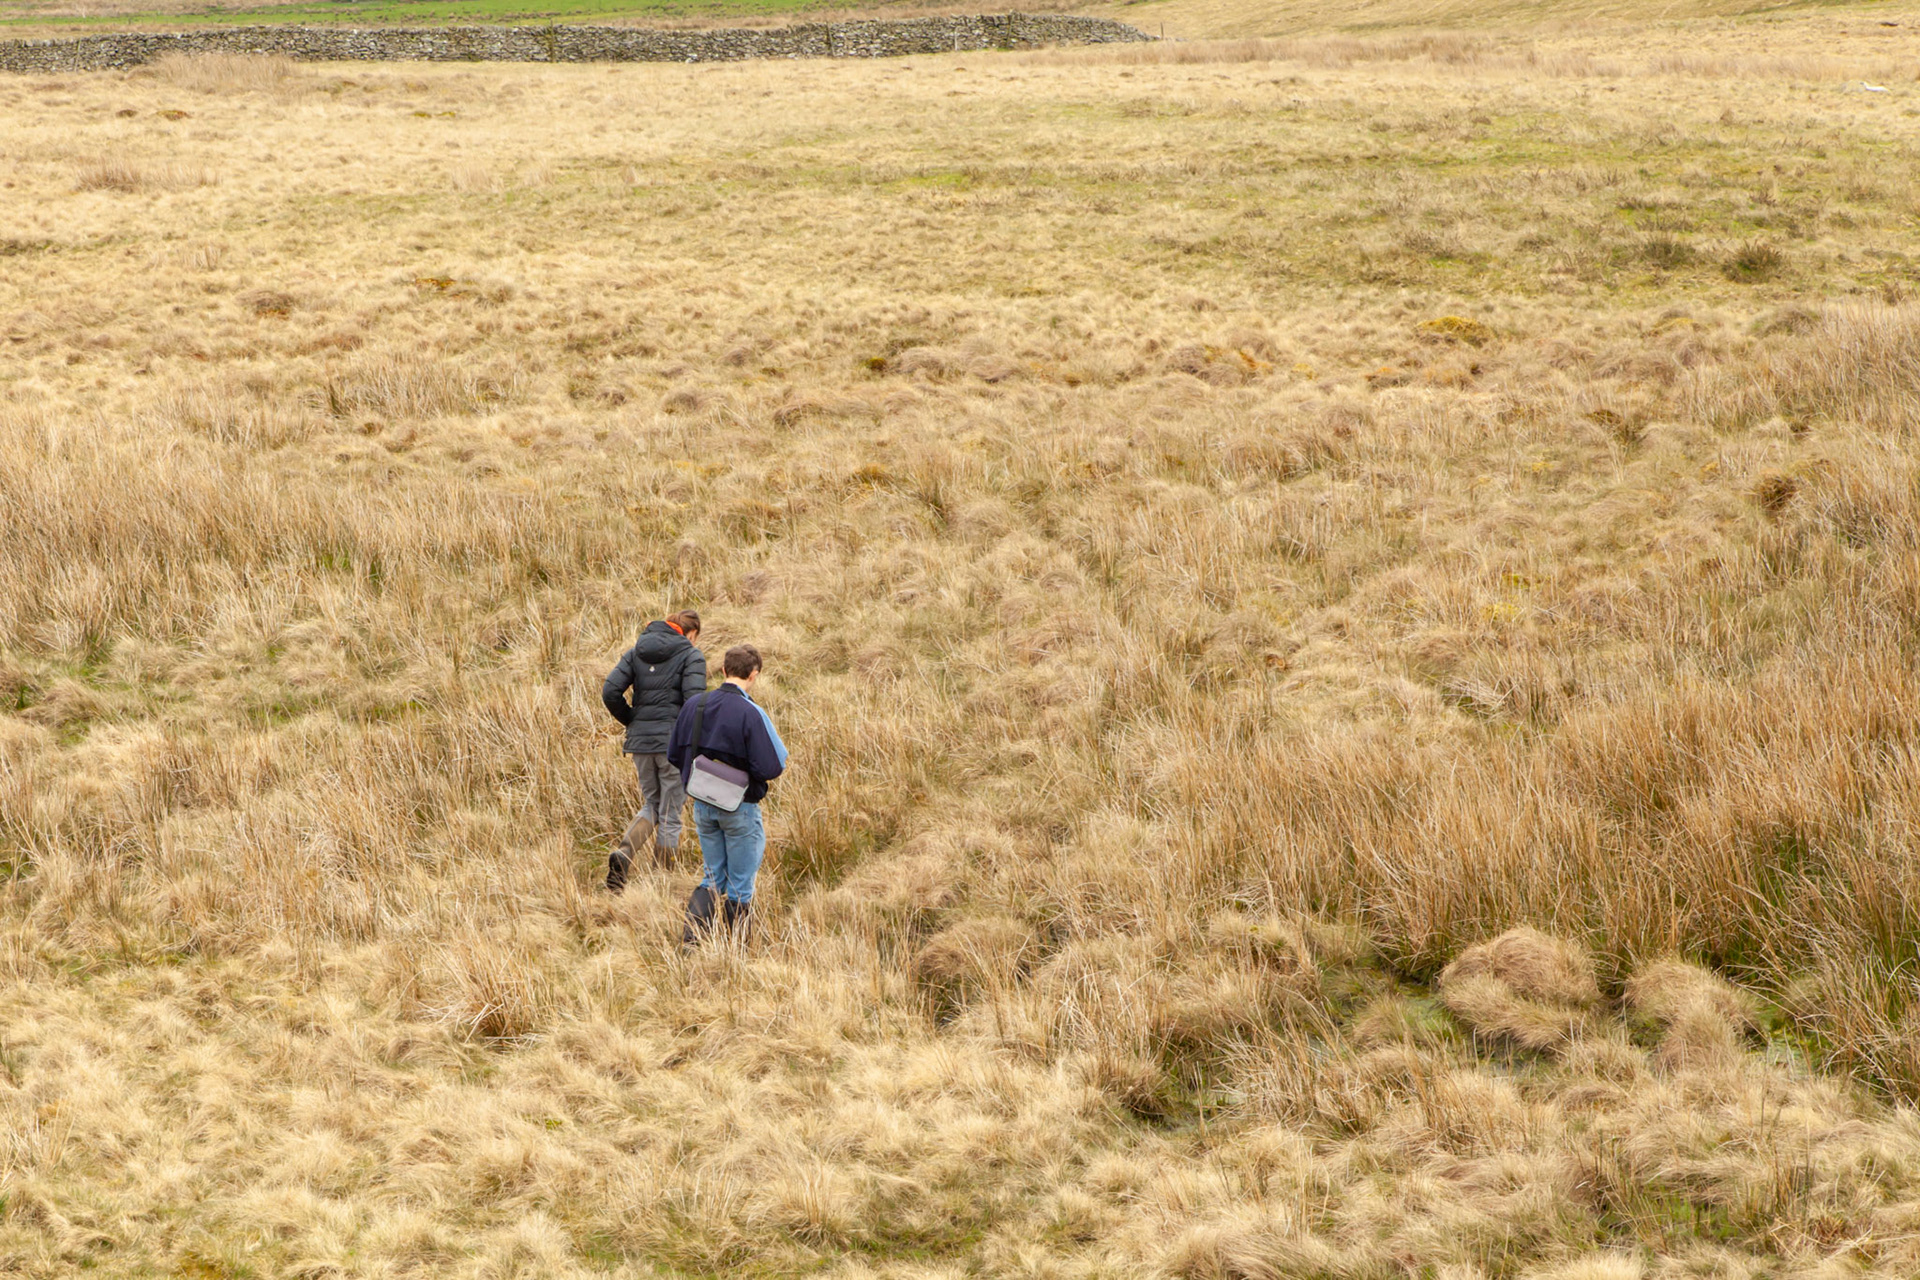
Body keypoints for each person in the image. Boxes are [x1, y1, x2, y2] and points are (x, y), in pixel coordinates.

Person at [666, 644, 787, 942]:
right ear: (754, 674)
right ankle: (735, 952)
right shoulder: (752, 712)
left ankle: (691, 943)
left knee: (711, 878)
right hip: (740, 808)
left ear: (723, 670)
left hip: (702, 804)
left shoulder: (695, 704)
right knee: (740, 886)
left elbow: (673, 753)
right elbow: (772, 766)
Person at [600, 609, 705, 891]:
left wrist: (633, 721)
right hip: (673, 745)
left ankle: (624, 853)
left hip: (641, 743)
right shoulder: (691, 655)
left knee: (652, 804)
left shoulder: (636, 652)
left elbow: (610, 692)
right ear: (690, 633)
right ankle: (663, 882)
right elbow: (695, 703)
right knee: (671, 812)